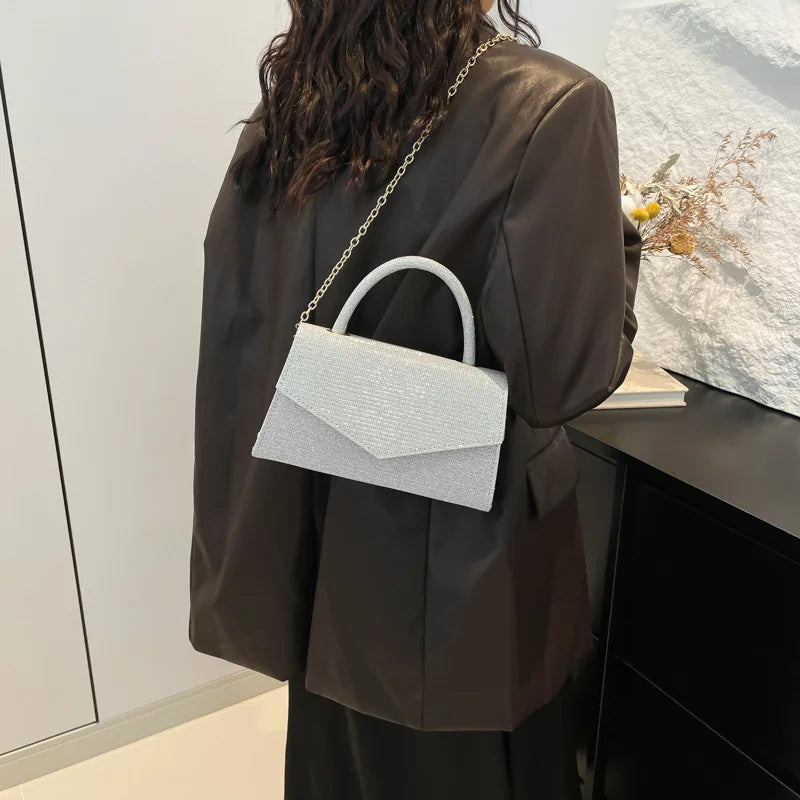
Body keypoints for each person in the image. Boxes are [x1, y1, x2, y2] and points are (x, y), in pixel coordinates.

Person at [189, 1, 641, 797]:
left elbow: (243, 309)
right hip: (456, 578)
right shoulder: (551, 105)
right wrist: (619, 245)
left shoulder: (299, 97)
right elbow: (566, 376)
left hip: (316, 537)